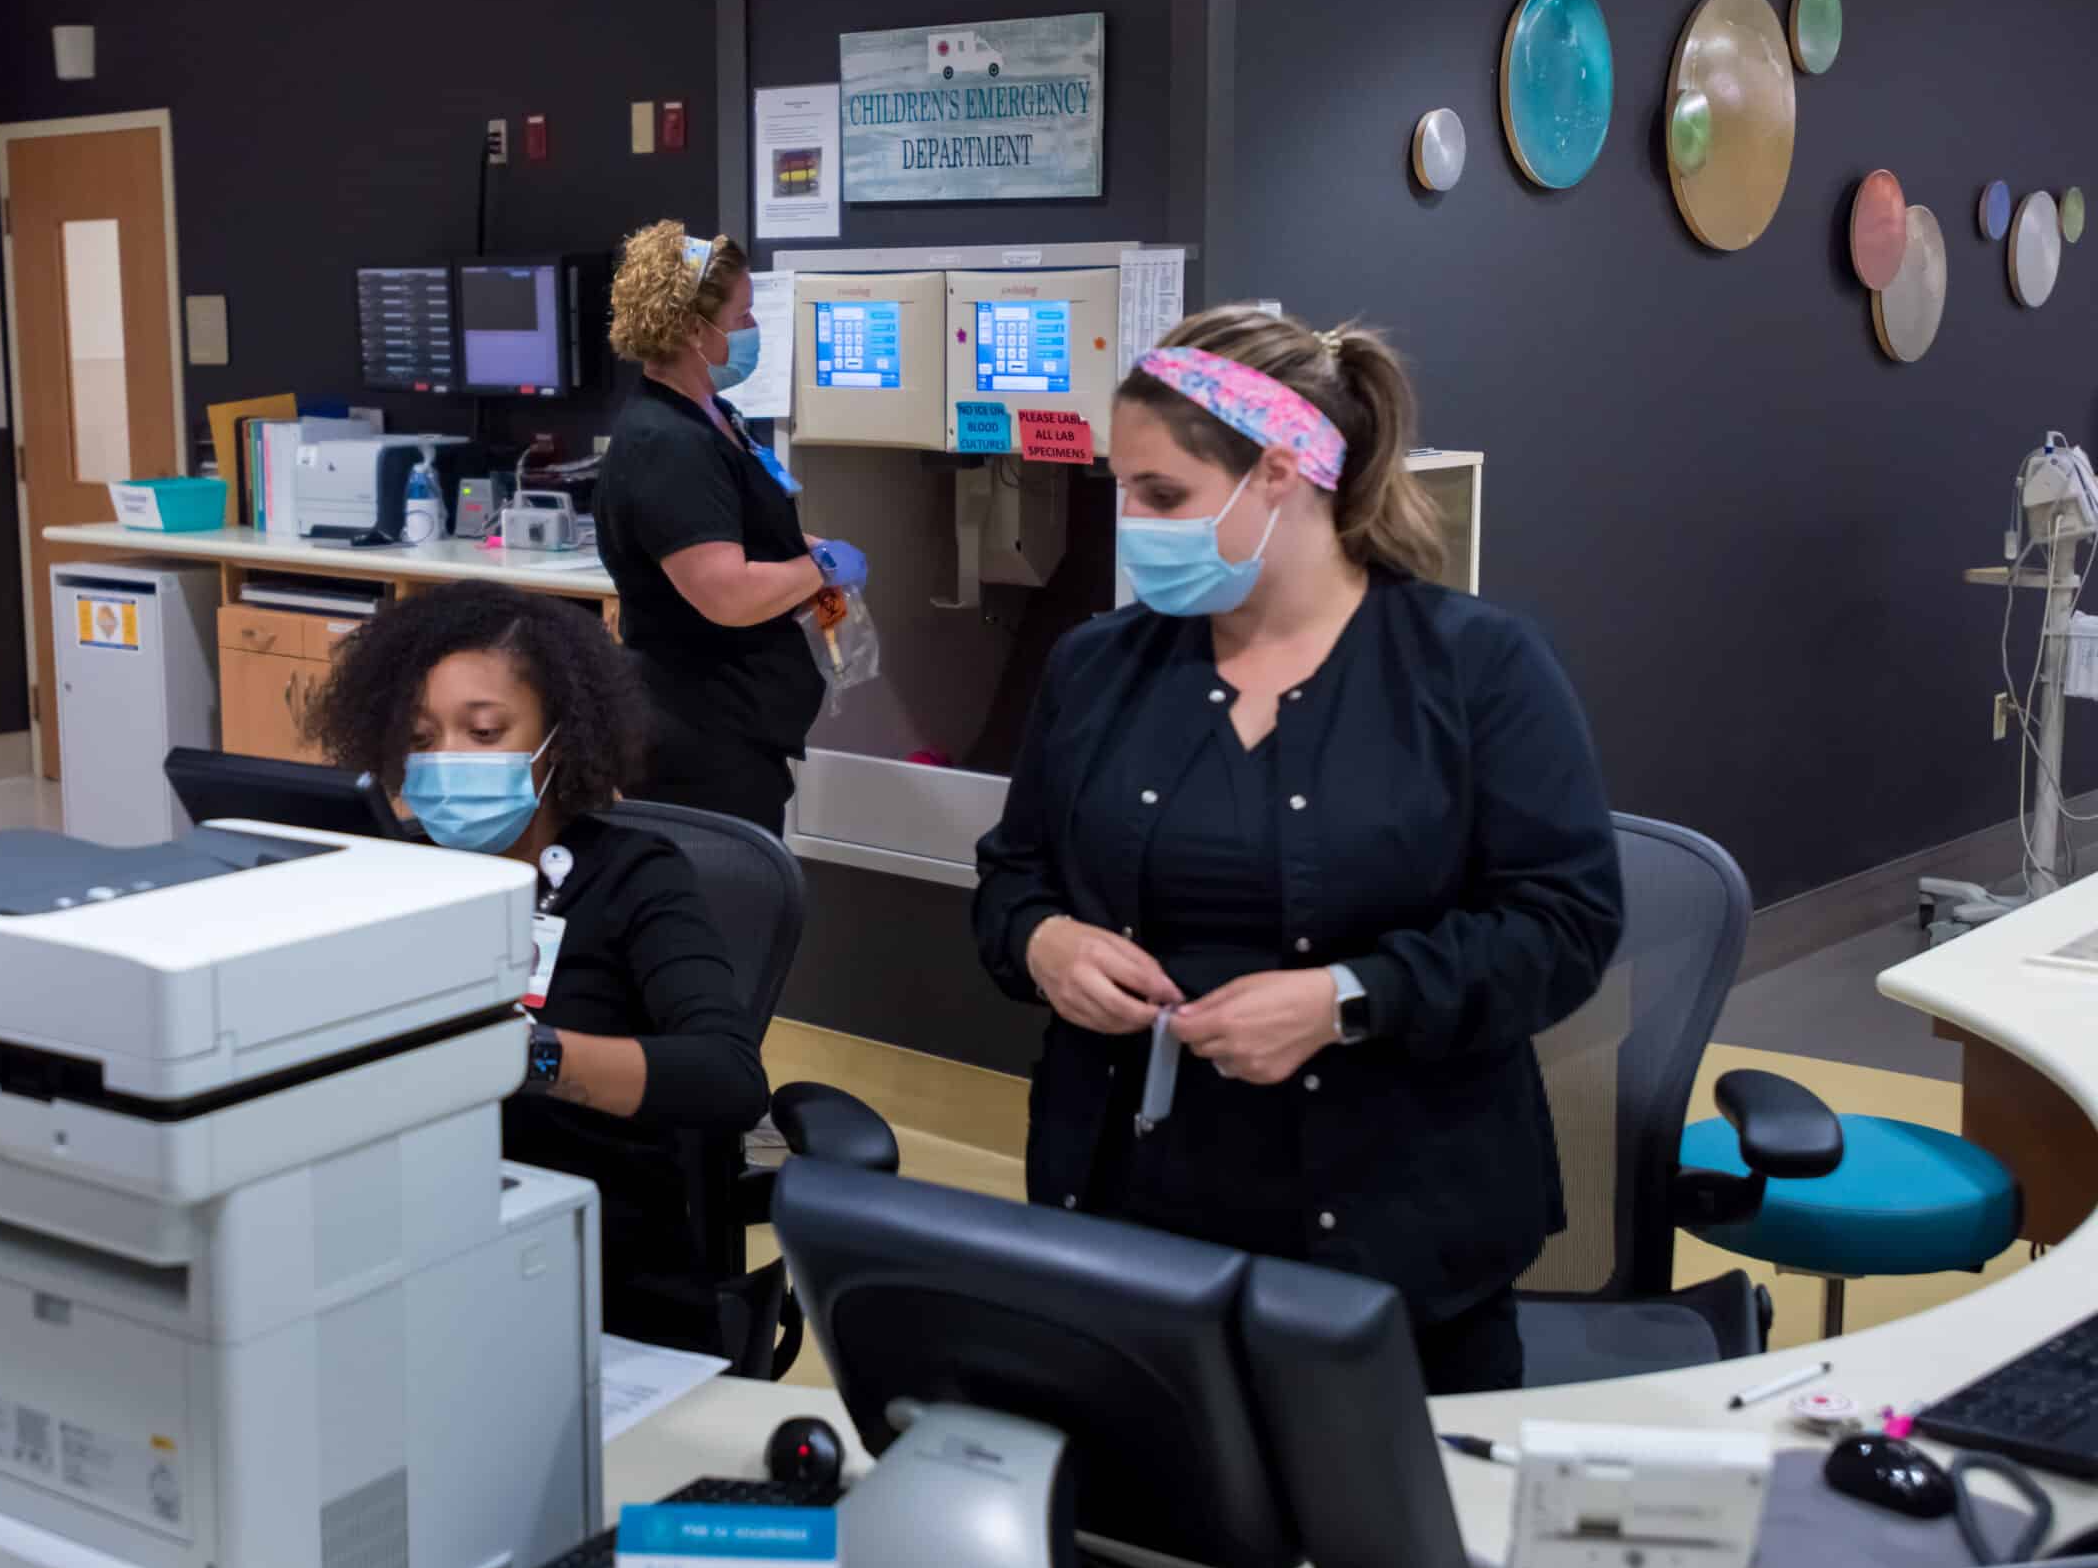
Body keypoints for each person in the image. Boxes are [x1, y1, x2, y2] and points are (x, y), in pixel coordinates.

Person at [973, 306, 1624, 1395]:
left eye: (1161, 494)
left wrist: (1344, 999)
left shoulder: (1474, 670)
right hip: (1130, 1219)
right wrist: (1041, 942)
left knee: (1390, 1546)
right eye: (1121, 489)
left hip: (1394, 1240)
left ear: (1278, 473)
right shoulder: (1097, 668)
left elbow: (1562, 925)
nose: (1129, 523)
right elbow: (1011, 874)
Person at [307, 579, 771, 1358]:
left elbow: (728, 1076)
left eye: (484, 732)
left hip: (603, 1283)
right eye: (424, 737)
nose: (448, 760)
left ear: (563, 735)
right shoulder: (396, 871)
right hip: (422, 1265)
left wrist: (533, 1054)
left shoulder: (634, 877)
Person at [592, 221, 868, 835]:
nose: (752, 332)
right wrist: (818, 569)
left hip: (739, 727)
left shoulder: (716, 417)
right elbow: (726, 593)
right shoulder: (665, 443)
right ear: (693, 329)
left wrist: (802, 549)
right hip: (696, 740)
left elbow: (738, 530)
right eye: (742, 317)